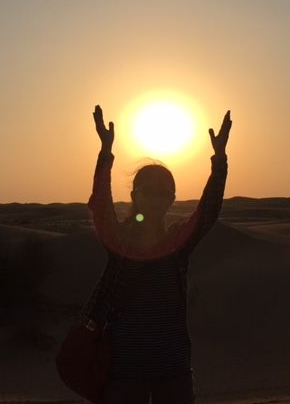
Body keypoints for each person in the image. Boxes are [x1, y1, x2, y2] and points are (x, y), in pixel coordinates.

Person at [83, 104, 231, 404]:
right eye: (148, 190)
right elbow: (101, 206)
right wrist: (105, 153)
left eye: (164, 192)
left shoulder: (177, 243)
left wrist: (219, 161)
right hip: (124, 370)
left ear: (172, 198)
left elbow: (207, 212)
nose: (156, 198)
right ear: (134, 196)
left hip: (173, 368)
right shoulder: (121, 242)